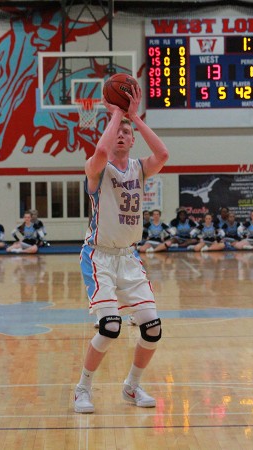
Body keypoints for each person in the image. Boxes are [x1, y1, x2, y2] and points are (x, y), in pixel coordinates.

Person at [75, 83, 169, 414]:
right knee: (110, 326)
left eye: (127, 133)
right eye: (118, 131)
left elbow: (163, 155)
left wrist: (136, 119)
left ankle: (131, 387)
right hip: (98, 256)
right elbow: (100, 153)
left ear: (131, 140)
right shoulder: (97, 168)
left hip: (129, 257)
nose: (121, 135)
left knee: (152, 327)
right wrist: (116, 113)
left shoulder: (139, 168)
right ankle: (83, 388)